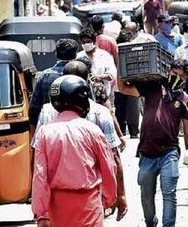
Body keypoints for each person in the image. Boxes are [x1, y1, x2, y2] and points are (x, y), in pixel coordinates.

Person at [34, 60, 128, 221]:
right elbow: (109, 164)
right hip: (89, 205)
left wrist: (40, 212)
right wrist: (111, 197)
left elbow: (39, 173)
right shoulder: (93, 130)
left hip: (56, 207)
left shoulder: (44, 131)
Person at [118, 65, 188, 227]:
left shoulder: (184, 99)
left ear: (185, 80)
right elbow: (123, 88)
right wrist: (121, 65)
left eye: (181, 76)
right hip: (147, 152)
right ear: (167, 72)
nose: (176, 77)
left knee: (169, 193)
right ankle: (150, 221)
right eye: (174, 73)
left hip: (169, 152)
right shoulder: (151, 87)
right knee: (146, 193)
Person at [29, 39, 78, 126]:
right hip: (76, 126)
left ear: (56, 54)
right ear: (75, 55)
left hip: (49, 126)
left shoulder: (45, 75)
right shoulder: (80, 74)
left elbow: (34, 109)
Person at [77, 28, 117, 99]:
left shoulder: (104, 55)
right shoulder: (78, 56)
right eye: (83, 42)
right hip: (84, 95)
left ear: (94, 41)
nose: (86, 44)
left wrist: (101, 77)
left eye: (88, 41)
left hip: (103, 95)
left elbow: (112, 73)